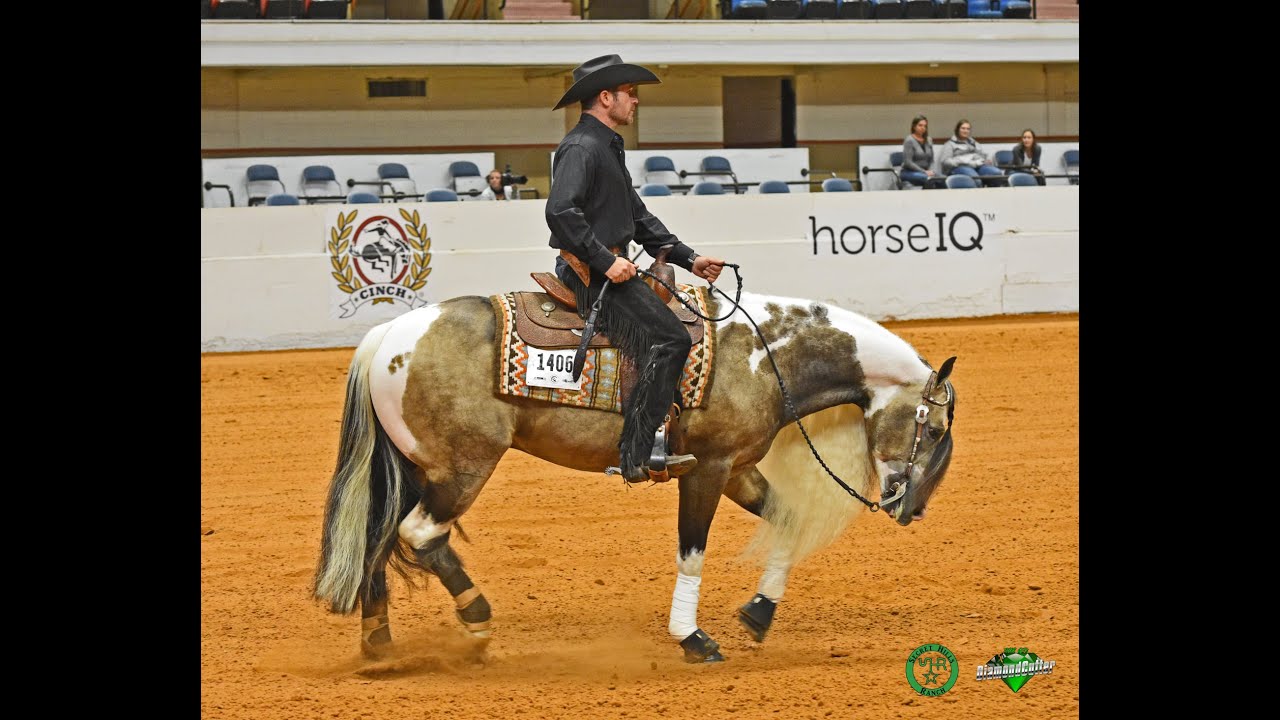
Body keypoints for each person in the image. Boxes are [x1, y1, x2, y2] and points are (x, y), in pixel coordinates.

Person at [545, 54, 727, 483]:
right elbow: (560, 212)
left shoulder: (607, 146)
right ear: (605, 97)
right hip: (590, 273)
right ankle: (639, 452)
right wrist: (606, 262)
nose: (636, 102)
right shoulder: (581, 147)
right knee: (672, 338)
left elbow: (640, 218)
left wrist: (690, 259)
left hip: (607, 267)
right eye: (630, 93)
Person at [938, 118, 1004, 185]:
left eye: (968, 129)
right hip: (959, 167)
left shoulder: (973, 143)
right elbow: (945, 161)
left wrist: (985, 160)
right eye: (963, 128)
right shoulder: (950, 144)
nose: (965, 131)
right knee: (976, 180)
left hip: (977, 166)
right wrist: (966, 162)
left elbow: (981, 155)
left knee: (996, 174)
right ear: (957, 129)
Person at [900, 114, 937, 189]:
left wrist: (931, 170)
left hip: (926, 172)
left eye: (925, 126)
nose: (923, 128)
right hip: (909, 172)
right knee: (929, 180)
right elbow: (908, 162)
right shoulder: (909, 140)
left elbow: (931, 160)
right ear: (914, 126)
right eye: (920, 125)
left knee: (942, 179)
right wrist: (924, 172)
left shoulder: (929, 140)